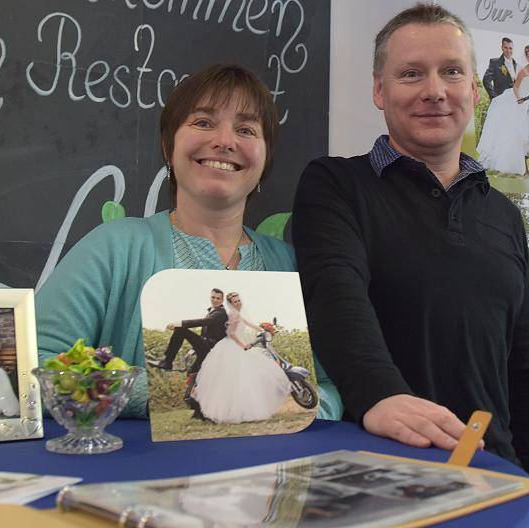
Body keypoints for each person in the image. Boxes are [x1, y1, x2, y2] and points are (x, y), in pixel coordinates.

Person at [292, 3, 529, 497]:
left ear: (473, 91)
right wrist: (382, 395)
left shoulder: (503, 214)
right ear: (379, 90)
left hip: (495, 478)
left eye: (451, 72)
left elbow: (528, 362)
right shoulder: (335, 184)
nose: (434, 90)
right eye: (411, 73)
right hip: (374, 479)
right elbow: (334, 295)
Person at [34, 64, 342, 420]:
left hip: (268, 471)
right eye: (203, 122)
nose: (225, 141)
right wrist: (162, 399)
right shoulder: (113, 249)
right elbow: (39, 364)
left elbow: (333, 386)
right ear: (168, 146)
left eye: (246, 129)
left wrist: (289, 409)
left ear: (265, 159)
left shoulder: (292, 266)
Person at [193, 292, 291, 423]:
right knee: (238, 378)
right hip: (232, 347)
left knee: (247, 376)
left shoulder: (238, 313)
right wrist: (243, 345)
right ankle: (238, 411)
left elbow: (248, 323)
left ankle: (246, 408)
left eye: (239, 300)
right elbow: (231, 333)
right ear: (231, 304)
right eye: (235, 302)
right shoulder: (233, 314)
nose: (238, 303)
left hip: (235, 346)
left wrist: (265, 329)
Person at [149, 288, 228, 418]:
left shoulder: (221, 313)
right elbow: (205, 333)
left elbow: (203, 322)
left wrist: (180, 323)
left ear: (222, 300)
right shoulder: (211, 312)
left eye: (218, 298)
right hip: (205, 349)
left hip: (212, 350)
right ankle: (198, 411)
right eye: (213, 297)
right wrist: (193, 349)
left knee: (180, 329)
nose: (215, 300)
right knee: (193, 374)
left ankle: (167, 361)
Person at [476, 44, 529, 175]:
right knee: (515, 130)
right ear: (526, 57)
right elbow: (515, 88)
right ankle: (510, 160)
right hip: (521, 99)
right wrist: (519, 99)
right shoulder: (523, 71)